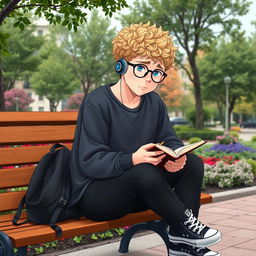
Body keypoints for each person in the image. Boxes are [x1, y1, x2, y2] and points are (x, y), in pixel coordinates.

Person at [69, 22, 222, 256]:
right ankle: (183, 227)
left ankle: (183, 244)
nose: (150, 78)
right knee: (144, 170)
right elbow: (89, 162)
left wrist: (175, 156)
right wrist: (132, 159)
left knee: (192, 164)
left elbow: (170, 139)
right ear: (121, 64)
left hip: (141, 191)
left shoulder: (153, 102)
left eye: (157, 72)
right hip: (97, 196)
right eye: (142, 68)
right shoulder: (96, 103)